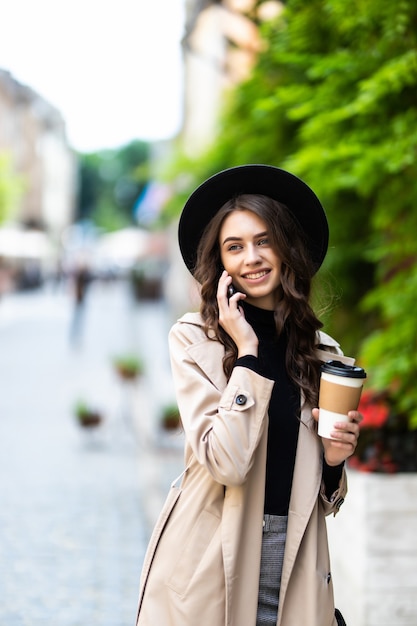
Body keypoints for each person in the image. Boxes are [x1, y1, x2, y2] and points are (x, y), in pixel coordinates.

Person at [135, 165, 362, 626]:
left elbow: (321, 495)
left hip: (294, 558)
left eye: (263, 241)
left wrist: (336, 461)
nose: (251, 258)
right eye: (234, 247)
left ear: (285, 248)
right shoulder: (194, 340)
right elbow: (227, 462)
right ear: (220, 263)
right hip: (211, 560)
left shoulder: (323, 355)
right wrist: (249, 353)